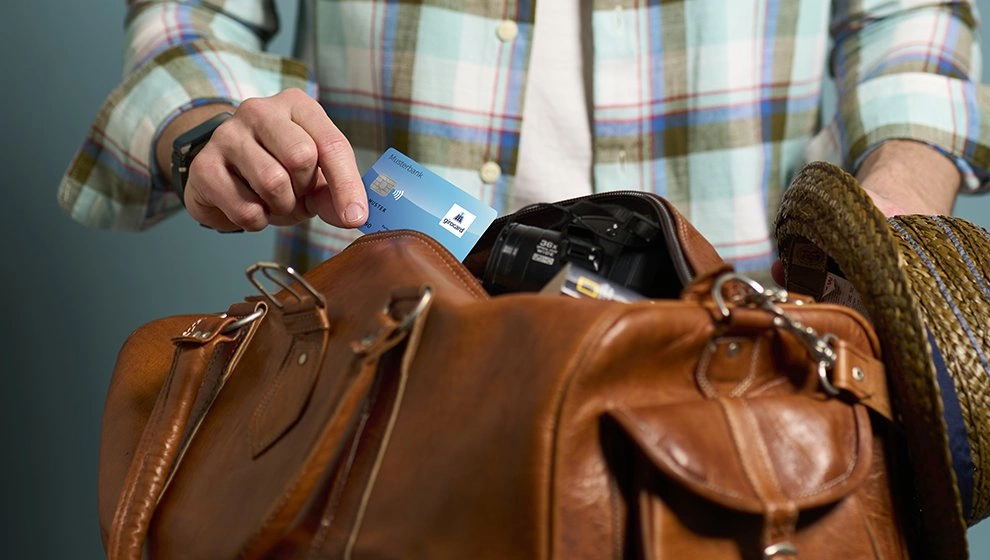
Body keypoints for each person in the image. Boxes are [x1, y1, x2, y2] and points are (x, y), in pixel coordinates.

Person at [58, 1, 989, 283]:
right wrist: (210, 132)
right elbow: (191, 23)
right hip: (390, 390)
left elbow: (907, 19)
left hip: (740, 384)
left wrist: (900, 190)